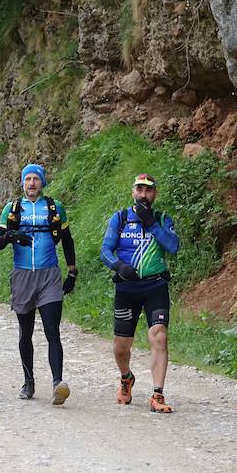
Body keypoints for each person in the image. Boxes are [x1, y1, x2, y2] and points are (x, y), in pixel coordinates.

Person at [0, 163, 77, 405]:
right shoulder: (12, 209)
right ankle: (28, 382)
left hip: (49, 275)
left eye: (36, 179)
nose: (31, 183)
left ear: (42, 182)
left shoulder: (54, 207)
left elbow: (68, 241)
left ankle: (57, 383)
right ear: (22, 183)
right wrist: (10, 235)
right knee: (25, 333)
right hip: (22, 276)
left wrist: (72, 272)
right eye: (27, 179)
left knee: (52, 331)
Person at [99, 173, 180, 413]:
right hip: (126, 288)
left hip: (155, 286)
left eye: (148, 190)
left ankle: (158, 393)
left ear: (154, 193)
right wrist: (118, 265)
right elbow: (105, 250)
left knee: (159, 336)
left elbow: (173, 246)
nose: (144, 195)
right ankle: (126, 378)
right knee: (121, 346)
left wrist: (152, 224)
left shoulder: (162, 219)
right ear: (133, 192)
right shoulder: (120, 218)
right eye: (140, 190)